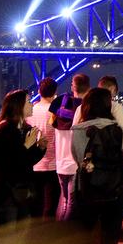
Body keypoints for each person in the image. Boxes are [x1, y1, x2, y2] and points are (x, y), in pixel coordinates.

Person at [71, 88, 123, 244]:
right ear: (108, 106)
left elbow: (78, 159)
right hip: (115, 188)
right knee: (111, 235)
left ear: (86, 106)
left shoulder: (77, 131)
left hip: (86, 188)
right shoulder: (119, 130)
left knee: (86, 235)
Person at [0, 90, 47, 226]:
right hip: (9, 191)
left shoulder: (25, 128)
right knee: (9, 233)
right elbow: (6, 162)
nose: (32, 104)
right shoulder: (5, 128)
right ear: (18, 105)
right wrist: (26, 146)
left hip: (24, 190)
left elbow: (28, 160)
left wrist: (40, 148)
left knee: (22, 232)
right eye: (28, 101)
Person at [49, 72, 90, 221]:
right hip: (75, 163)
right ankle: (63, 234)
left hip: (61, 163)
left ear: (73, 86)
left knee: (64, 201)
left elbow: (51, 124)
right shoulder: (85, 110)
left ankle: (56, 231)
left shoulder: (59, 108)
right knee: (73, 203)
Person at [27, 77, 60, 219]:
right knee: (51, 205)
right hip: (53, 163)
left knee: (36, 204)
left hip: (34, 163)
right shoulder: (56, 112)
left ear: (39, 91)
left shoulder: (30, 111)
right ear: (55, 92)